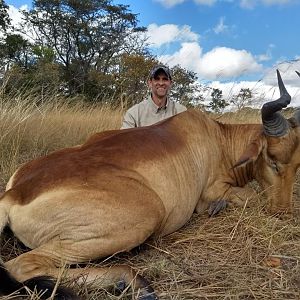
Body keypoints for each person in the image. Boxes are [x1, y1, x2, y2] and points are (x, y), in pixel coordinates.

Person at [121, 64, 187, 129]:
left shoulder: (182, 112)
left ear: (170, 83)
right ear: (150, 83)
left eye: (165, 79)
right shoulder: (134, 113)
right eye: (157, 79)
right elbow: (124, 138)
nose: (161, 83)